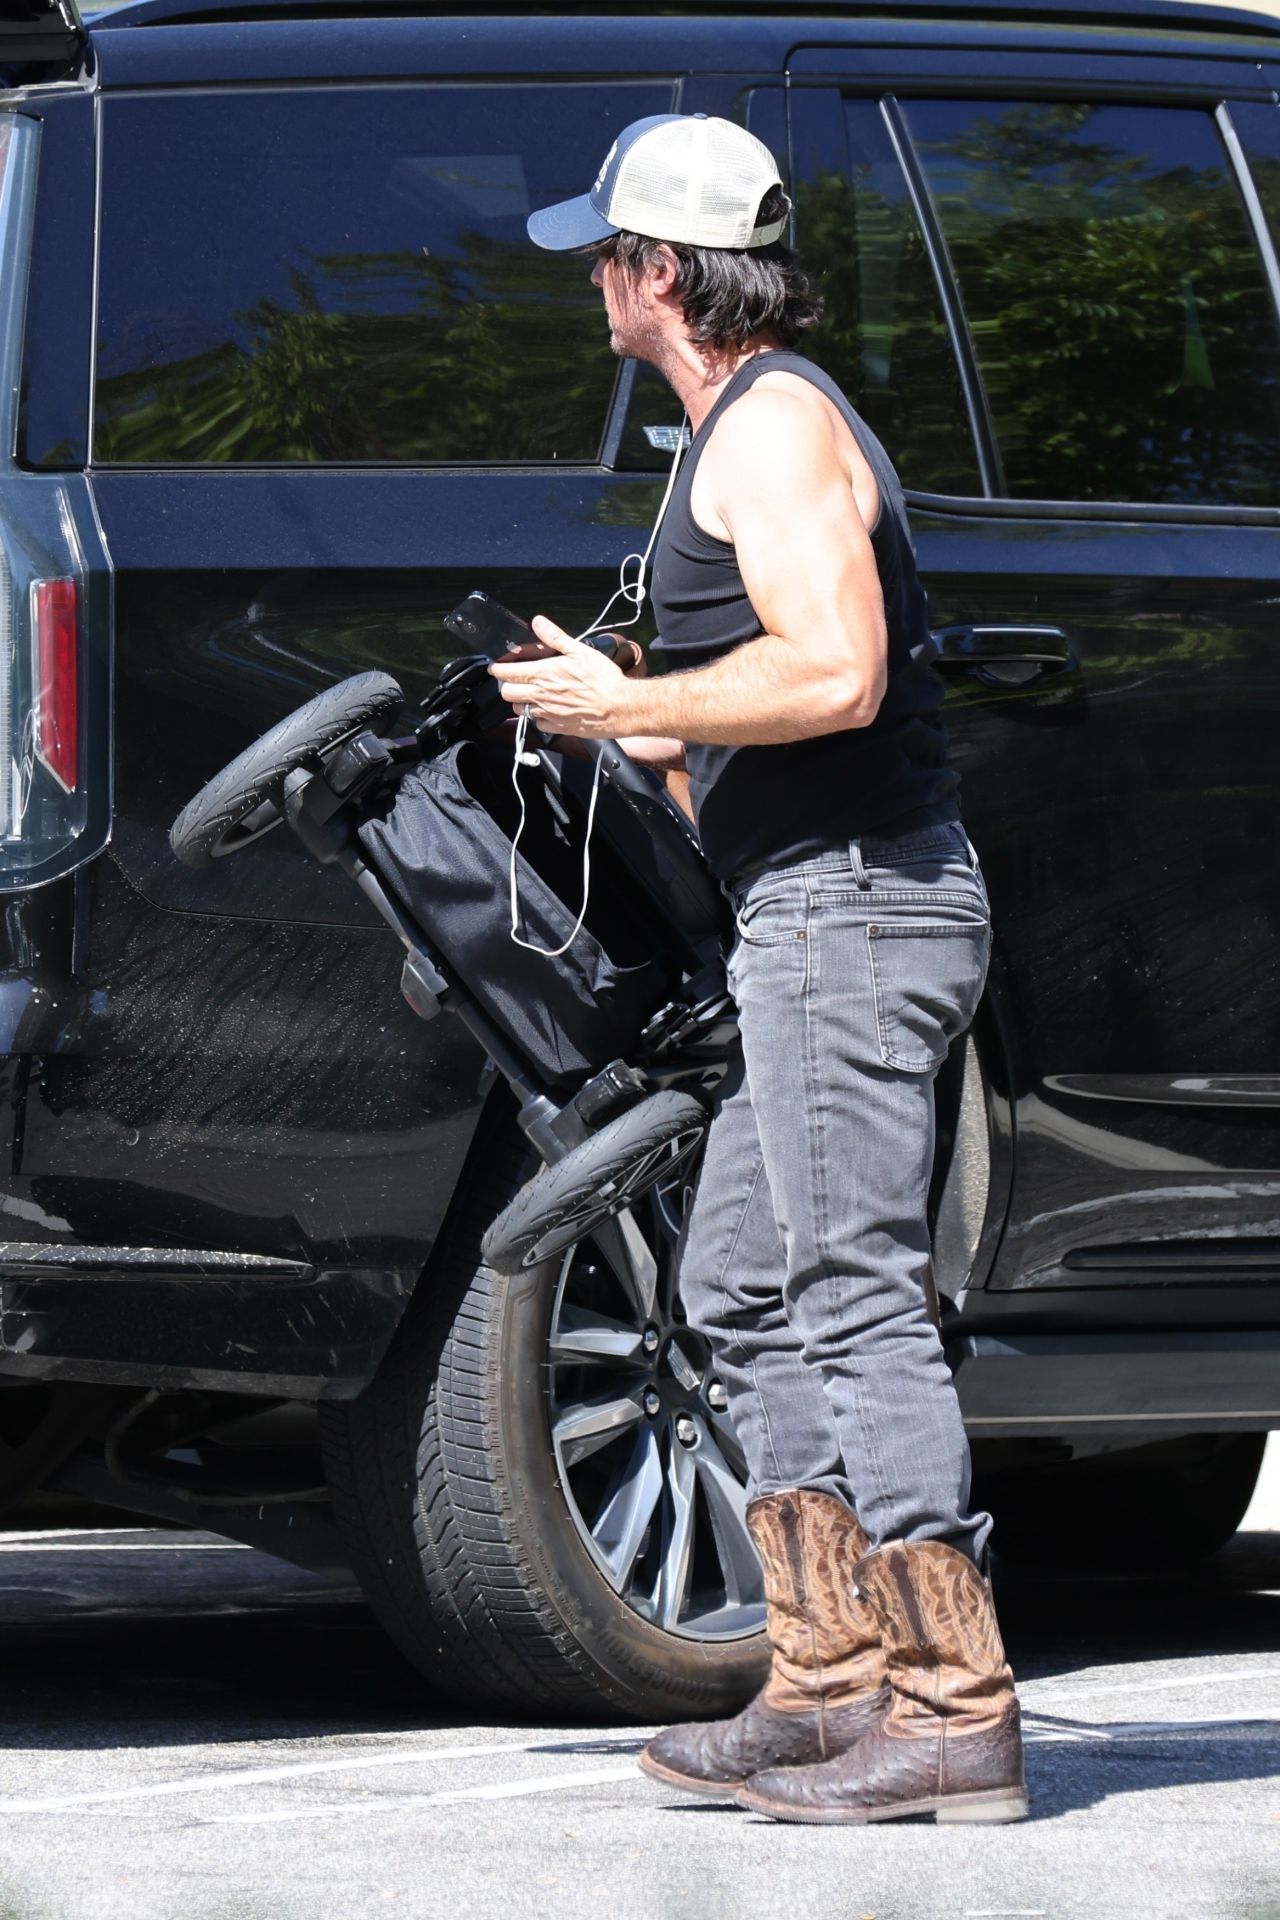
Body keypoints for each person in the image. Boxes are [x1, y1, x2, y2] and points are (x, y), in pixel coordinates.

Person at [494, 113, 1026, 1826]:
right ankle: (825, 1679)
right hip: (810, 910)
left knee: (853, 1288)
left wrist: (623, 701)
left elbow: (843, 675)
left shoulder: (776, 427)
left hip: (858, 915)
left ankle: (955, 1703)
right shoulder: (723, 431)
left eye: (605, 253)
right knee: (734, 1286)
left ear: (662, 272)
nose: (589, 278)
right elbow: (755, 720)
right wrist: (628, 713)